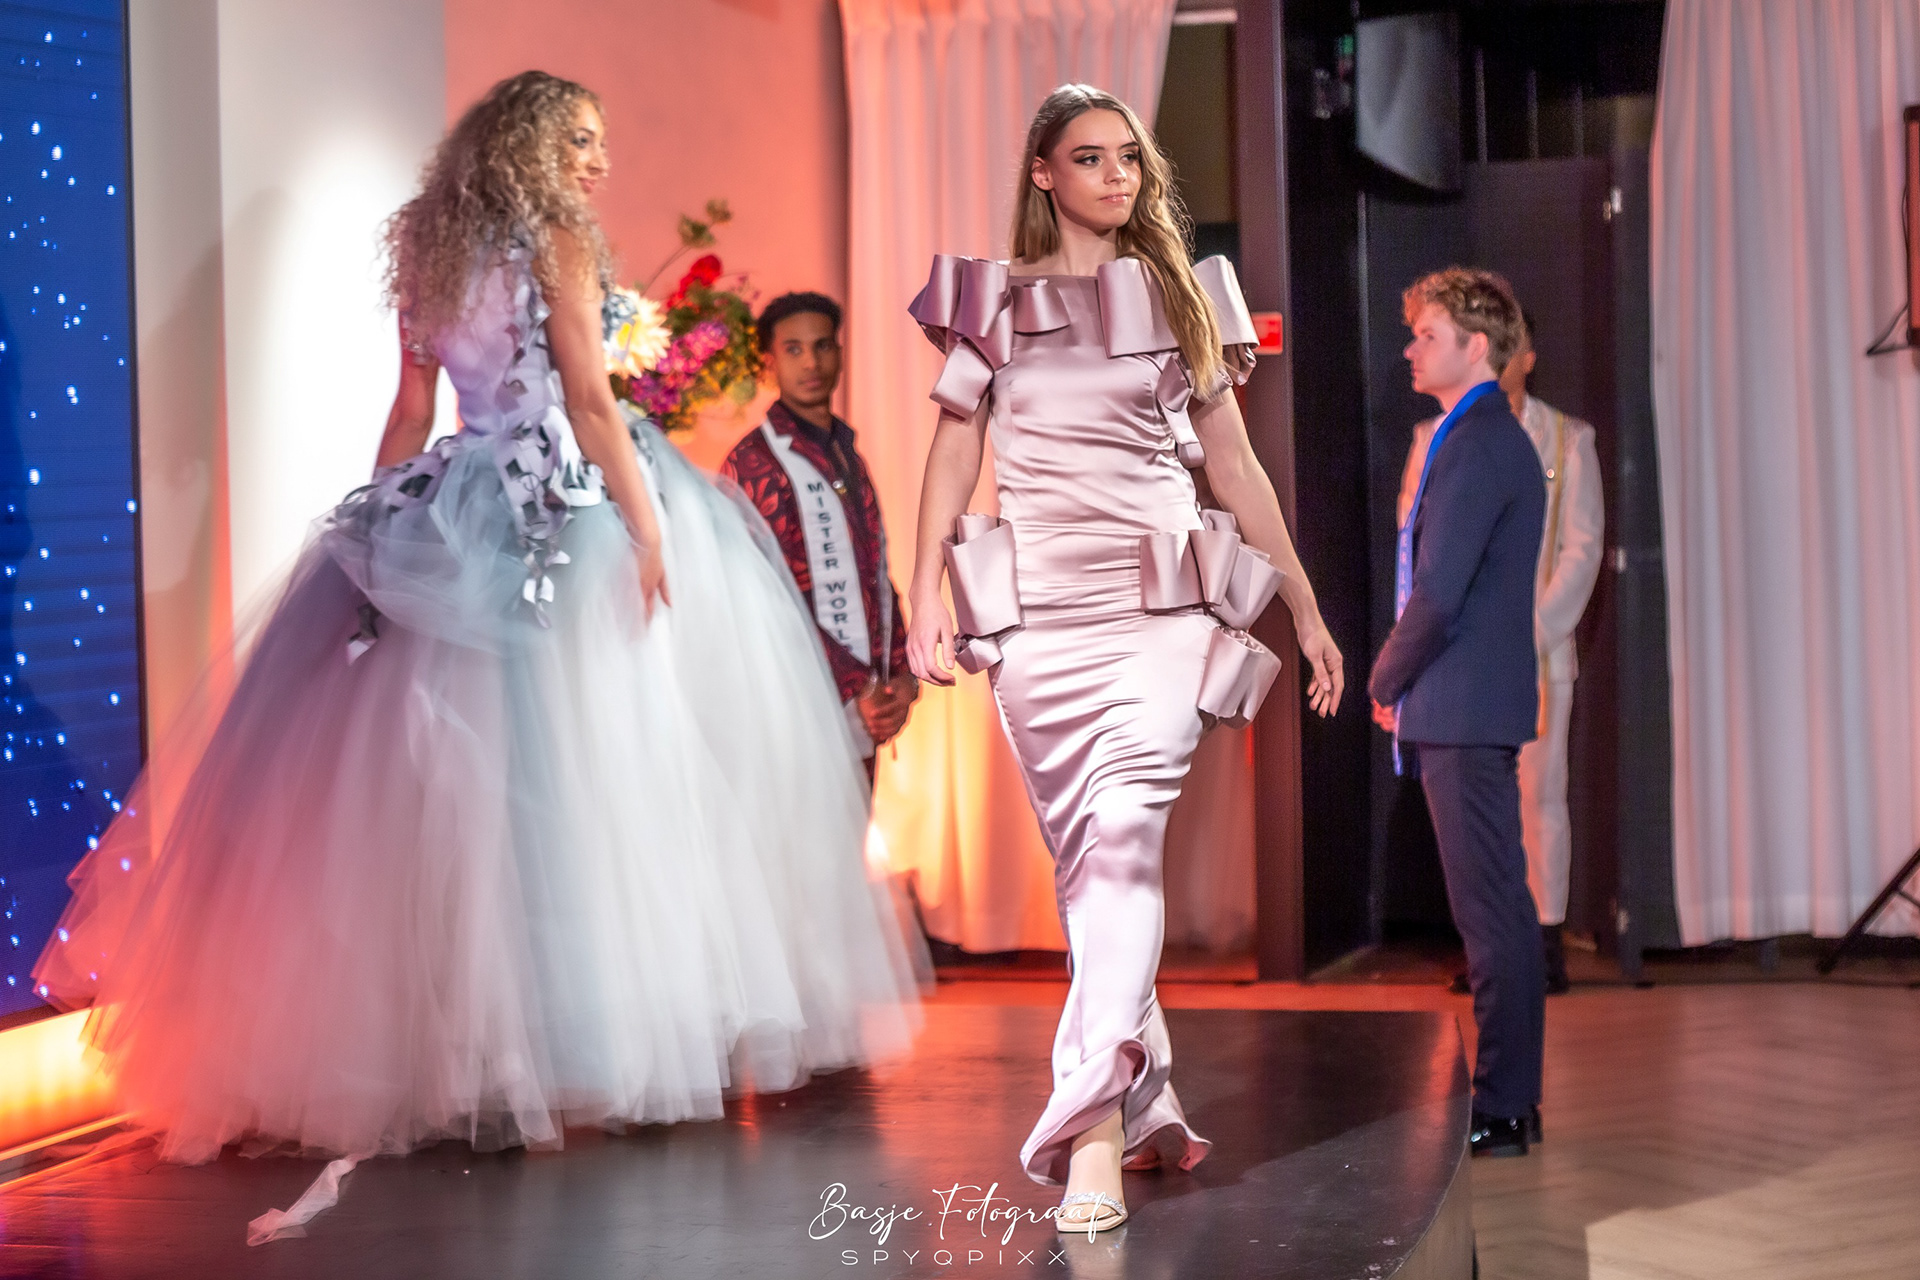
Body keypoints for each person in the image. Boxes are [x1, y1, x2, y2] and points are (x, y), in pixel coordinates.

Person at [33, 70, 918, 1236]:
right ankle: (577, 1039)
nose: (600, 159)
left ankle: (475, 1053)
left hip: (461, 500)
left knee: (469, 801)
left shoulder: (430, 245)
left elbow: (414, 410)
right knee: (588, 786)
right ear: (536, 144)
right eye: (583, 138)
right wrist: (650, 526)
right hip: (564, 509)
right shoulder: (555, 236)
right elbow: (589, 401)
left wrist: (379, 525)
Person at [905, 83, 1344, 1234]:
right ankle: (1147, 1101)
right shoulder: (993, 304)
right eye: (1092, 157)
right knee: (1092, 870)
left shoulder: (1181, 294)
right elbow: (953, 455)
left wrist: (1303, 606)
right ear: (1042, 172)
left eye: (1131, 160)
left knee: (1126, 847)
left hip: (1157, 614)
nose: (1118, 176)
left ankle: (1089, 1133)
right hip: (1039, 626)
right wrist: (919, 589)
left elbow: (1235, 470)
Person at [1370, 267, 1546, 1159]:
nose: (1411, 349)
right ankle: (1511, 1101)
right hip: (1464, 706)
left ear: (1477, 347)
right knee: (1494, 910)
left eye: (1428, 335)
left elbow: (1438, 594)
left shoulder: (1478, 443)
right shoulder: (1475, 435)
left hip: (1463, 707)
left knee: (1491, 917)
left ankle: (1505, 1106)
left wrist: (1384, 679)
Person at [1397, 313, 1603, 994]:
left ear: (1527, 357)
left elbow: (1581, 551)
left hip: (1538, 654)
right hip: (1458, 659)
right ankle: (1489, 945)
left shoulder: (1568, 439)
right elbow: (1417, 551)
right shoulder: (1433, 439)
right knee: (1473, 807)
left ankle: (1542, 942)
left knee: (1540, 797)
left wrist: (1529, 632)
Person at [722, 292, 917, 780]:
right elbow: (762, 598)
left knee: (853, 829)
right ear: (769, 362)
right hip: (795, 706)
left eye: (823, 346)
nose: (811, 362)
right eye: (793, 349)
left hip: (867, 705)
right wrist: (856, 686)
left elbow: (874, 574)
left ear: (840, 353)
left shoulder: (847, 453)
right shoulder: (753, 463)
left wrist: (900, 676)